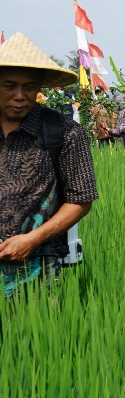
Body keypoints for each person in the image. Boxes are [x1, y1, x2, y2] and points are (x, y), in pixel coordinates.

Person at [0, 32, 98, 295]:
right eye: (9, 86)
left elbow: (81, 200)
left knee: (35, 335)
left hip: (37, 271)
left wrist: (32, 240)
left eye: (29, 87)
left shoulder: (65, 132)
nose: (20, 95)